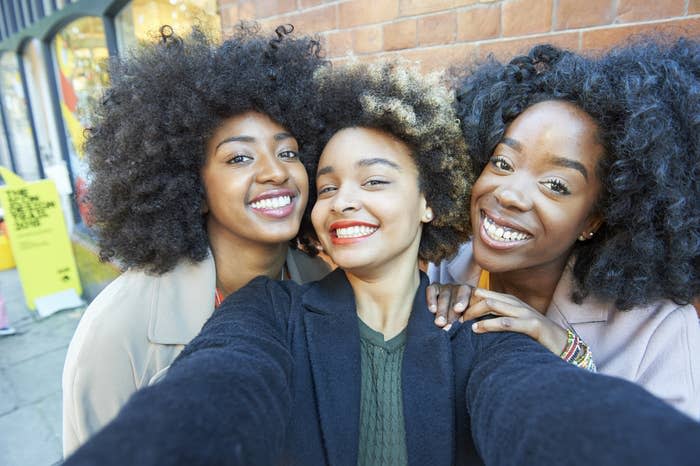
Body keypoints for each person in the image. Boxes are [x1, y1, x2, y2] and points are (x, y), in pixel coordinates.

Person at [64, 61, 700, 466]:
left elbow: (540, 406)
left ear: (428, 201)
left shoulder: (477, 329)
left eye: (375, 180)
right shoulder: (267, 309)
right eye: (329, 182)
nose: (343, 201)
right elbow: (224, 382)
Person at [61, 24, 332, 456]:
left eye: (288, 152)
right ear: (191, 184)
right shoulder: (118, 329)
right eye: (239, 157)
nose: (276, 172)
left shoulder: (324, 283)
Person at [428, 39, 700, 418]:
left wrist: (571, 354)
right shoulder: (442, 267)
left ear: (593, 219)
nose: (509, 194)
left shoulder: (659, 331)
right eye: (503, 163)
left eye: (555, 185)